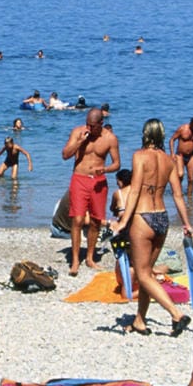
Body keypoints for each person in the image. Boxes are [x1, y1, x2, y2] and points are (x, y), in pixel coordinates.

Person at [112, 119, 193, 336]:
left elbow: (136, 191)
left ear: (145, 134)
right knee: (147, 272)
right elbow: (178, 195)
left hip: (143, 217)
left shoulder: (140, 156)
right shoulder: (169, 160)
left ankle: (176, 314)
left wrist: (122, 222)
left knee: (142, 274)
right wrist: (186, 223)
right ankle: (140, 321)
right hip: (162, 219)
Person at [60, 107, 120, 277]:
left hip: (98, 182)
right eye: (87, 124)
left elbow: (117, 164)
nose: (89, 128)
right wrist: (79, 142)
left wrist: (105, 169)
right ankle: (75, 260)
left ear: (101, 124)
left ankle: (90, 257)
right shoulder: (78, 132)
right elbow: (65, 155)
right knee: (78, 219)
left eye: (92, 126)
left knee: (95, 221)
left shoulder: (110, 138)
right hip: (79, 178)